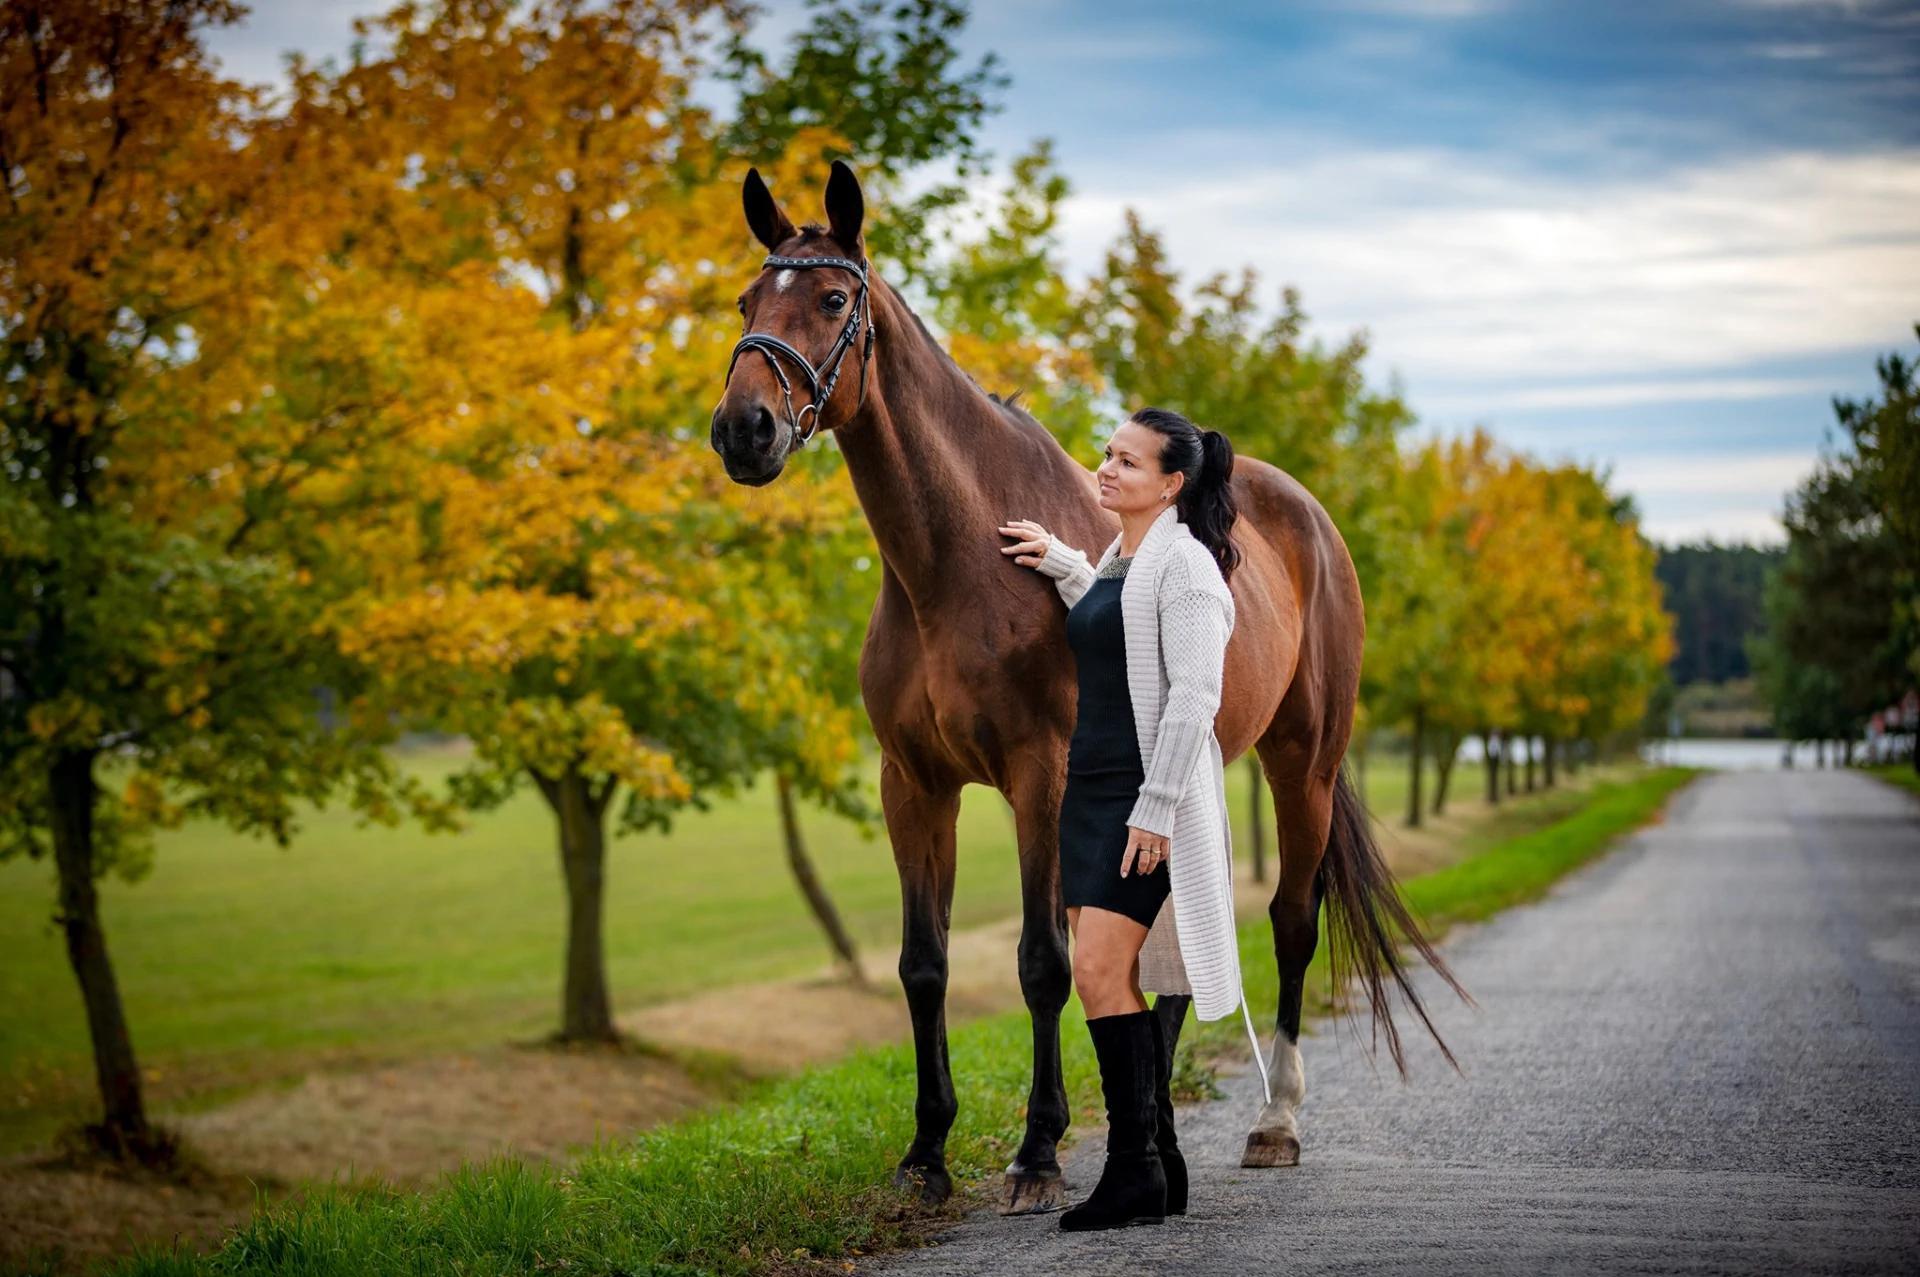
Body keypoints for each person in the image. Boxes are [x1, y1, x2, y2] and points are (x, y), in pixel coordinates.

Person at [997, 406, 1244, 1231]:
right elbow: (1115, 617)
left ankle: (1134, 1168)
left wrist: (1159, 809)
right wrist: (1063, 560)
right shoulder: (1126, 557)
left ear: (1172, 483)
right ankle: (1154, 1162)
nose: (1105, 469)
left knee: (1101, 973)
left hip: (1143, 797)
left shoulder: (1190, 570)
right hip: (1094, 791)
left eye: (1128, 463)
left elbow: (1196, 699)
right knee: (1112, 980)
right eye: (1107, 454)